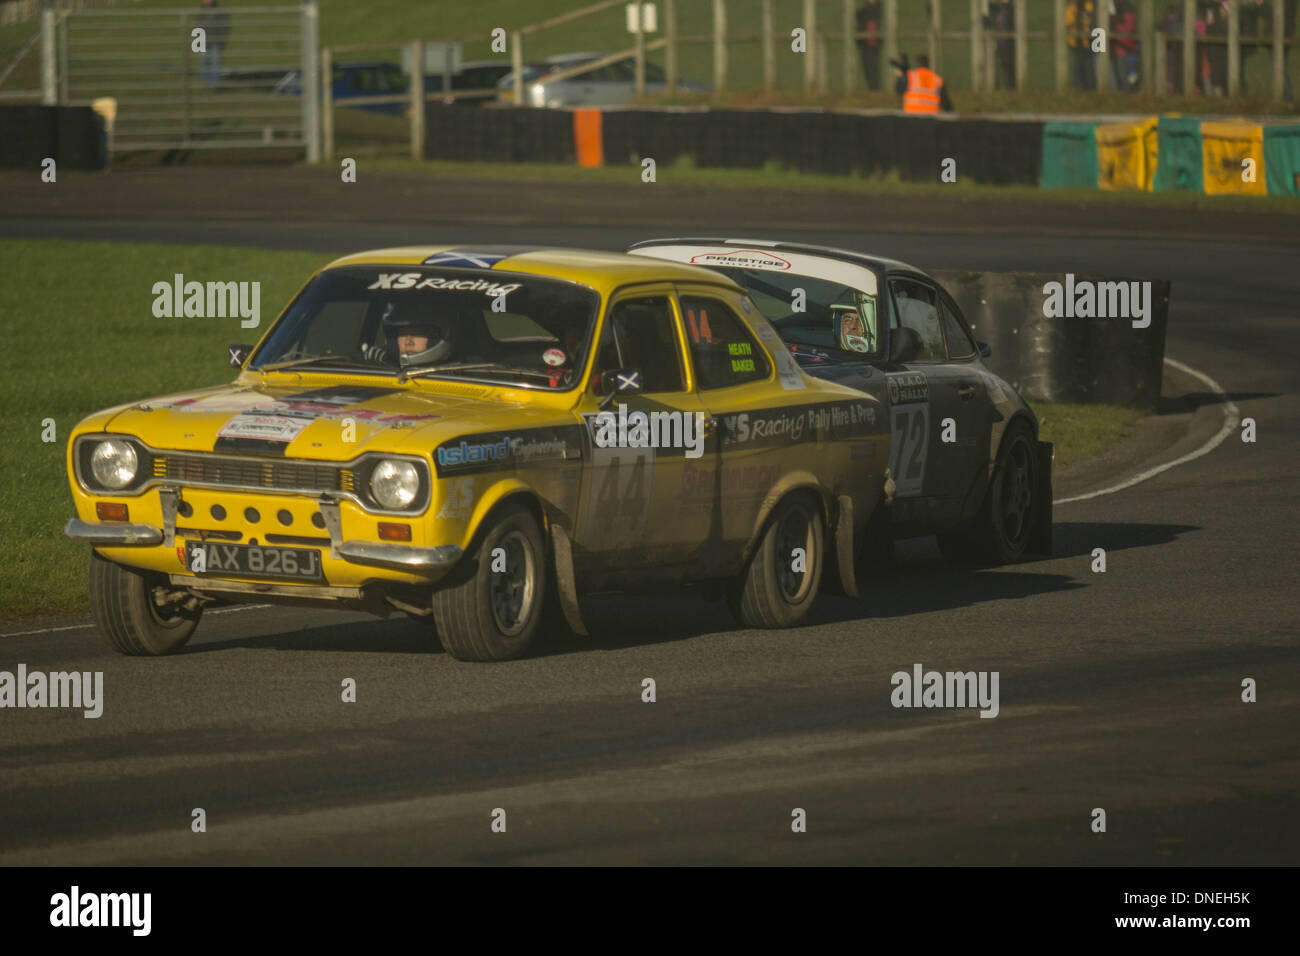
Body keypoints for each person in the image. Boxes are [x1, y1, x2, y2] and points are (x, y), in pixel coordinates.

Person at [362, 301, 479, 367]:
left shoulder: (467, 374)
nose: (408, 341)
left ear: (437, 336)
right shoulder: (378, 367)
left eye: (417, 332)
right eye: (402, 333)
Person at [195, 0, 231, 89]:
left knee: (215, 63)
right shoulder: (201, 11)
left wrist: (221, 41)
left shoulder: (219, 11)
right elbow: (198, 27)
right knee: (204, 62)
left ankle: (215, 84)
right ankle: (206, 83)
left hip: (215, 42)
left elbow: (225, 27)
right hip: (203, 42)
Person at [1066, 0, 1097, 91]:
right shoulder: (1071, 8)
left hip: (1089, 42)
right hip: (1075, 43)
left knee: (1089, 67)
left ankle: (1091, 89)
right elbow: (1068, 22)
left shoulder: (1090, 6)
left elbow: (1092, 21)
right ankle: (1078, 89)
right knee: (1077, 68)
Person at [1111, 0, 1141, 91]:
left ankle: (1127, 94)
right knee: (1122, 75)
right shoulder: (1116, 7)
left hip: (1125, 48)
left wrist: (1115, 27)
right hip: (1121, 47)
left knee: (1125, 75)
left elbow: (1128, 28)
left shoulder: (1127, 8)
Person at [855, 1, 883, 91]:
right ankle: (872, 89)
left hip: (874, 43)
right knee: (867, 67)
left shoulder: (877, 10)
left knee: (874, 67)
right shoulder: (864, 11)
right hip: (866, 43)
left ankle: (875, 89)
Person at [992, 0, 1016, 90]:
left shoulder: (1010, 10)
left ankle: (1011, 87)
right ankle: (1005, 86)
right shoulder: (1002, 9)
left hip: (1007, 42)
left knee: (1009, 66)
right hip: (1001, 41)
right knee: (1004, 65)